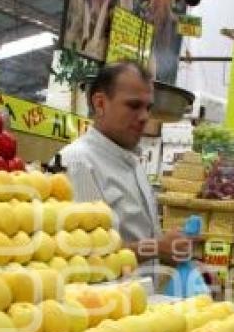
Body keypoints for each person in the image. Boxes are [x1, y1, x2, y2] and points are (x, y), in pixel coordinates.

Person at [59, 62, 190, 264]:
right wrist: (155, 248)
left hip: (138, 294)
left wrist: (170, 251)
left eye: (148, 107)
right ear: (100, 103)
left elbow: (138, 240)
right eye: (133, 105)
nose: (145, 116)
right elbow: (81, 251)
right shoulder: (78, 162)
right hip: (103, 295)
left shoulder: (132, 162)